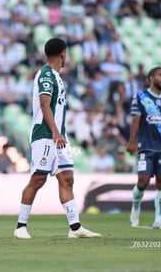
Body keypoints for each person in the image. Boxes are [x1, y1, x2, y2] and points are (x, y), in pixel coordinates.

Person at [14, 37, 101, 239]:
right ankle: (20, 227)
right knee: (38, 179)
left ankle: (75, 228)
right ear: (63, 53)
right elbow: (44, 105)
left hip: (59, 137)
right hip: (45, 135)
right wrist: (55, 132)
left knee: (67, 178)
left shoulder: (56, 76)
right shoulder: (45, 75)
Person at [127, 66, 161, 230]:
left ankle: (159, 220)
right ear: (151, 78)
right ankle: (135, 207)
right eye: (160, 75)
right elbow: (136, 119)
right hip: (146, 146)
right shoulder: (141, 96)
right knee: (143, 182)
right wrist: (132, 141)